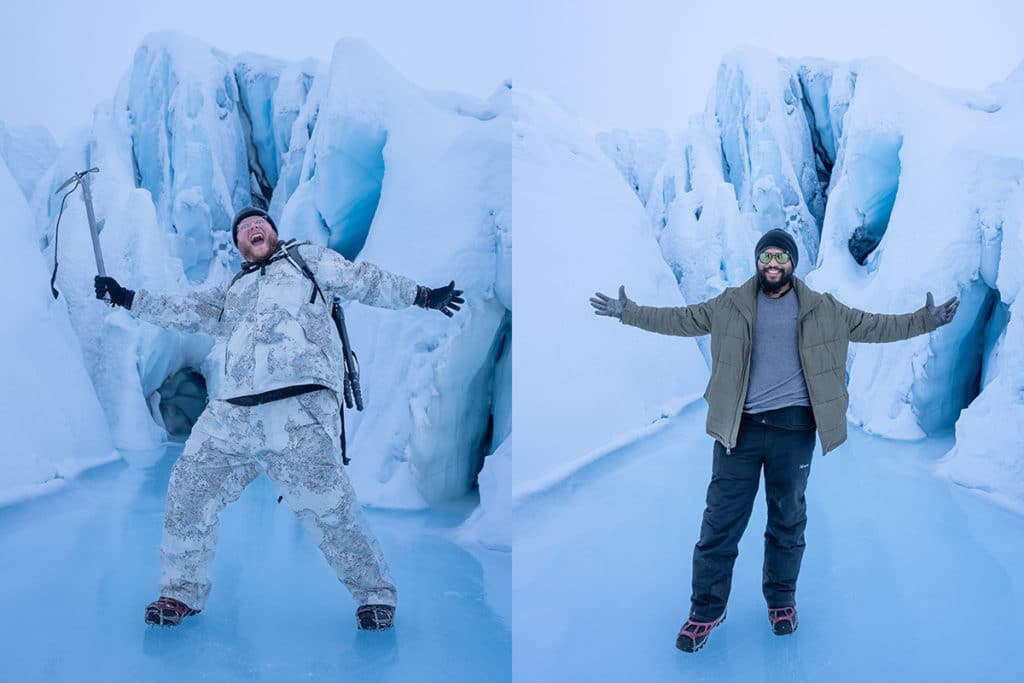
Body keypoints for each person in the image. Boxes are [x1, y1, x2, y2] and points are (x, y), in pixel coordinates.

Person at [590, 228, 959, 652]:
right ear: (757, 261)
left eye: (780, 256)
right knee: (719, 523)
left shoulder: (824, 309)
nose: (772, 263)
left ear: (792, 263)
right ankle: (706, 609)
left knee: (787, 520)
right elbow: (679, 319)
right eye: (766, 255)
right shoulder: (729, 305)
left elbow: (876, 327)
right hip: (739, 431)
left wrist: (925, 320)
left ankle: (781, 601)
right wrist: (627, 312)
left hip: (794, 431)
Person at [95, 207, 464, 631]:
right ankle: (179, 592)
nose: (253, 227)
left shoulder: (306, 260)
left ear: (273, 232)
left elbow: (364, 279)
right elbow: (182, 309)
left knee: (331, 508)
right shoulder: (232, 291)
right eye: (244, 227)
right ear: (238, 246)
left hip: (300, 408)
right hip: (232, 412)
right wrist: (126, 297)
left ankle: (374, 596)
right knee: (188, 489)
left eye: (261, 223)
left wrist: (420, 295)